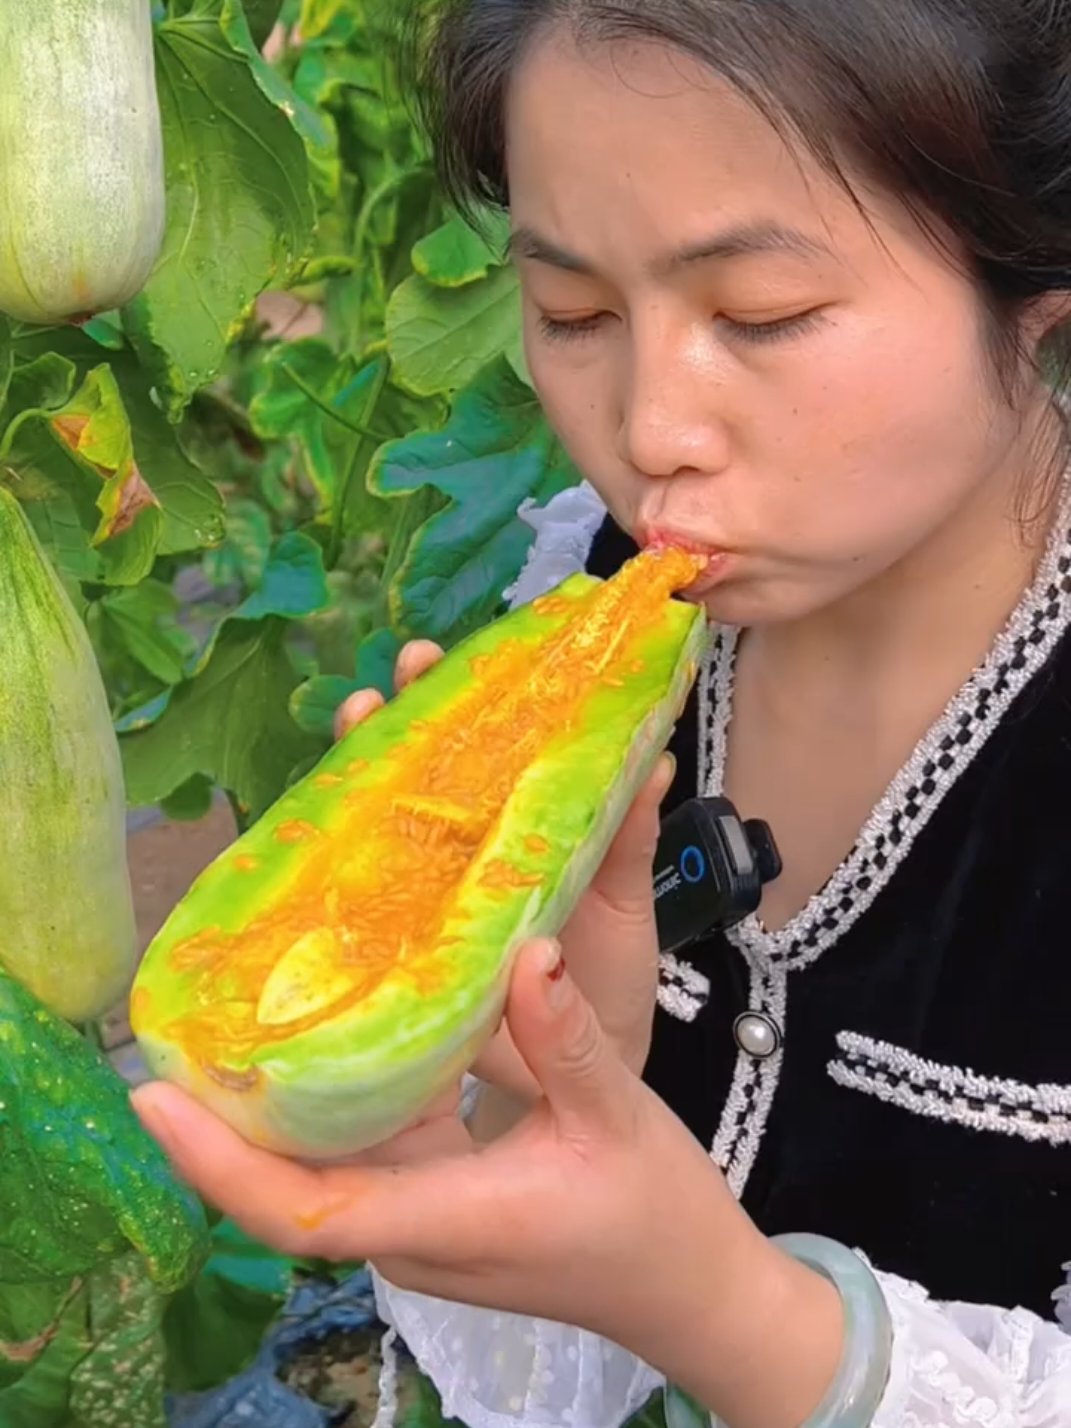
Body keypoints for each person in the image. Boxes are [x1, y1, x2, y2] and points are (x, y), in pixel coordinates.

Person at [131, 1, 1071, 1423]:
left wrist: (716, 1304)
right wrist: (509, 1113)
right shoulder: (588, 577)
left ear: (1033, 294)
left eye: (759, 315)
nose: (645, 434)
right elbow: (549, 1374)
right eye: (572, 314)